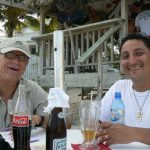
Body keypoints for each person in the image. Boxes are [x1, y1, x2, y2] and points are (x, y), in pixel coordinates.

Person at [97, 33, 150, 145]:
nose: (131, 61)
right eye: (125, 56)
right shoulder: (119, 87)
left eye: (139, 53)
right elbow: (98, 122)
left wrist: (133, 133)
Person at [0, 39, 48, 130]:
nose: (16, 62)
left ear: (26, 64)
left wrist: (39, 119)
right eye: (10, 54)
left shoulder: (32, 89)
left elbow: (65, 121)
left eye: (22, 57)